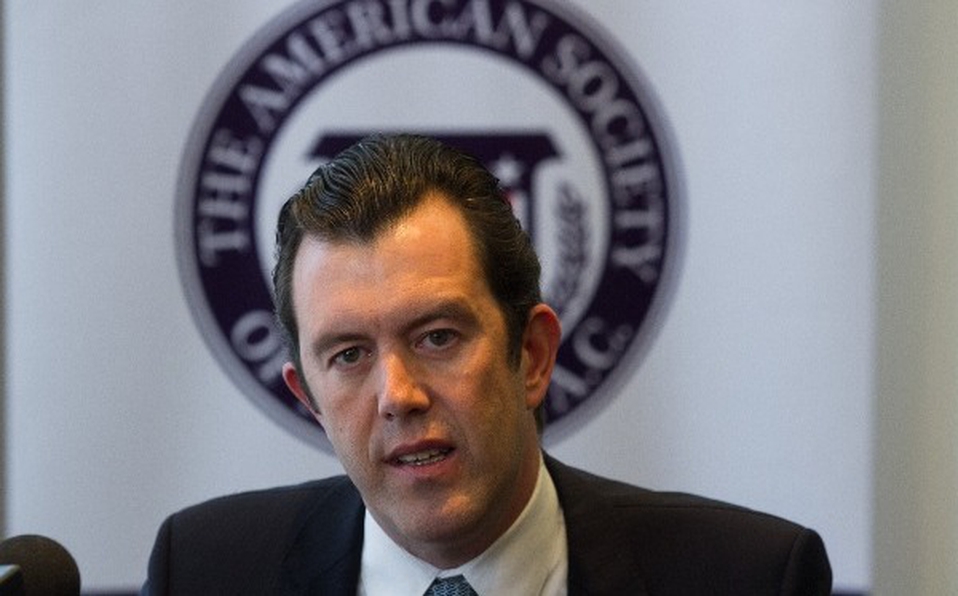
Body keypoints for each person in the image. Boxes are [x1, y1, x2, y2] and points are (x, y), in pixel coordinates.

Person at [142, 134, 832, 595]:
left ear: (531, 355)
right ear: (310, 400)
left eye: (437, 337)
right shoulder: (203, 572)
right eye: (349, 355)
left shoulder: (747, 576)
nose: (398, 395)